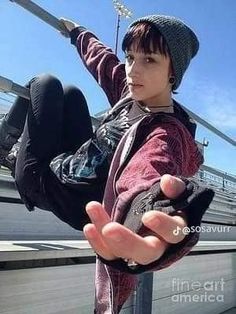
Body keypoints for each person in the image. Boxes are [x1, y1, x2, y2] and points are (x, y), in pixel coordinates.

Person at [0, 14, 214, 313]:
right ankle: (15, 144)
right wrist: (78, 32)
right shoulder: (133, 95)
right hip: (70, 169)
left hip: (47, 184)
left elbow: (149, 173)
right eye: (131, 57)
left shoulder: (165, 132)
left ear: (172, 73)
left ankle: (7, 148)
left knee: (45, 83)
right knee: (72, 93)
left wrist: (149, 213)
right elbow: (103, 62)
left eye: (149, 60)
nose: (133, 70)